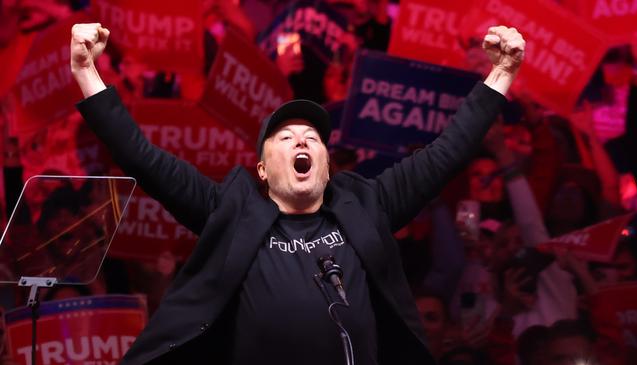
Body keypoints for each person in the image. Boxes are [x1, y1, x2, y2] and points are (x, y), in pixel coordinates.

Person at [69, 22, 525, 365]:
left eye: (312, 137)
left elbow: (446, 153)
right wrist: (87, 72)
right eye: (286, 138)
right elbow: (142, 158)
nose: (303, 140)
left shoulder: (369, 203)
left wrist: (501, 74)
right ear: (263, 170)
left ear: (327, 164)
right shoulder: (228, 209)